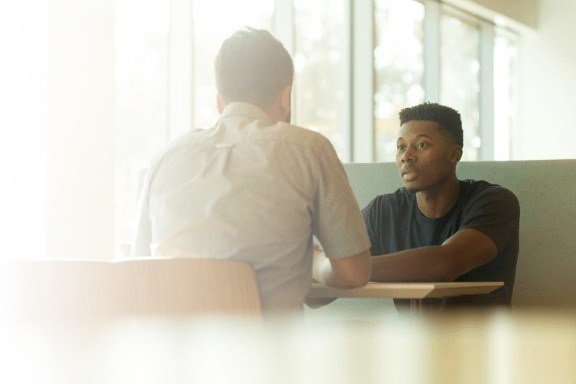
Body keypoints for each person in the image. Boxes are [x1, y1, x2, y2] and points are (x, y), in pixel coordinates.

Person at [131, 27, 371, 314]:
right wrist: (315, 262)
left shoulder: (165, 157)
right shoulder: (309, 149)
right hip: (268, 354)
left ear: (219, 101)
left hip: (173, 353)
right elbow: (354, 273)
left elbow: (138, 270)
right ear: (286, 98)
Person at [362, 102, 519, 309]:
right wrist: (319, 263)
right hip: (411, 340)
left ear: (454, 155)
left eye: (421, 145)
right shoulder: (383, 211)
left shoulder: (495, 202)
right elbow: (318, 299)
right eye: (401, 147)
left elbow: (444, 263)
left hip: (481, 339)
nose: (406, 156)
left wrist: (344, 267)